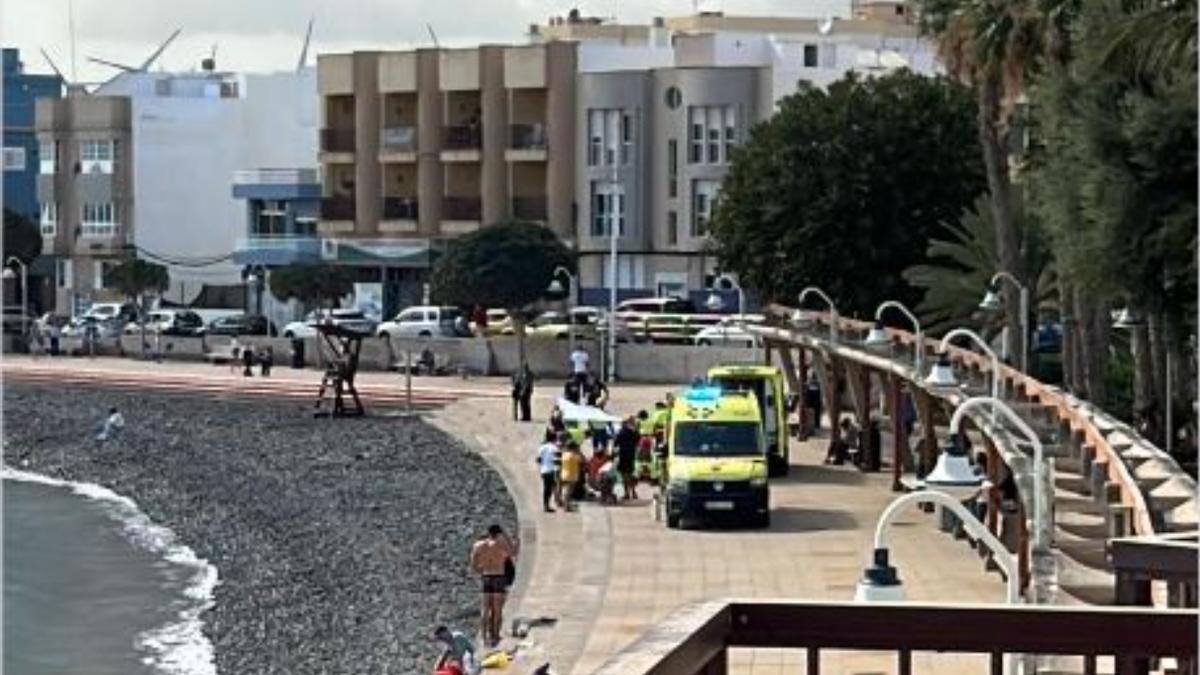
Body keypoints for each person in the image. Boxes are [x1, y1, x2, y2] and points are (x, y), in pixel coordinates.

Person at [469, 524, 519, 648]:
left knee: (485, 609)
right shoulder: (501, 545)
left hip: (486, 577)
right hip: (499, 577)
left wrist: (481, 570)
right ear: (499, 533)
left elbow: (473, 565)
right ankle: (495, 636)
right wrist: (506, 536)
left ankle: (484, 636)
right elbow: (514, 551)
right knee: (497, 610)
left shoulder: (478, 546)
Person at [614, 417, 639, 500]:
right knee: (630, 473)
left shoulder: (621, 432)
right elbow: (637, 440)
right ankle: (633, 492)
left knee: (624, 475)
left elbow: (616, 443)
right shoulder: (634, 432)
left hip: (623, 455)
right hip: (631, 454)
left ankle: (627, 493)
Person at [536, 430, 558, 513]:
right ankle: (547, 506)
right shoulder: (554, 448)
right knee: (550, 489)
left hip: (543, 470)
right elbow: (557, 460)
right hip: (551, 470)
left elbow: (538, 459)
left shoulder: (542, 447)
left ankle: (546, 505)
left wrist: (544, 463)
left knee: (547, 488)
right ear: (554, 439)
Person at [560, 441, 584, 511]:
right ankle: (567, 506)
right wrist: (579, 452)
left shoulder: (564, 454)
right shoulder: (573, 455)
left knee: (566, 490)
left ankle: (566, 505)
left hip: (564, 474)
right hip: (571, 475)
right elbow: (582, 460)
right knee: (569, 492)